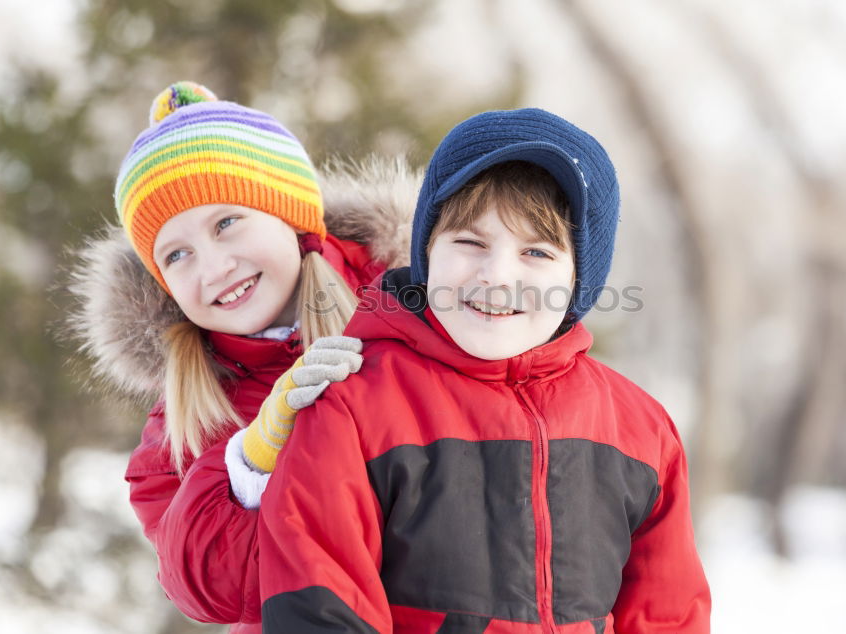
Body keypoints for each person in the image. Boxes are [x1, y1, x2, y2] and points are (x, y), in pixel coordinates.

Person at [253, 108, 712, 632]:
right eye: (470, 242)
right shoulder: (352, 407)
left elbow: (669, 613)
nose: (497, 275)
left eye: (536, 252)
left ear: (578, 282)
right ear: (426, 251)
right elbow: (319, 607)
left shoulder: (641, 430)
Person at [67, 81, 417, 633]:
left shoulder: (414, 311)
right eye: (177, 255)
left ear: (290, 214)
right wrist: (249, 464)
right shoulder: (178, 438)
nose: (213, 268)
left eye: (226, 223)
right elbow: (220, 591)